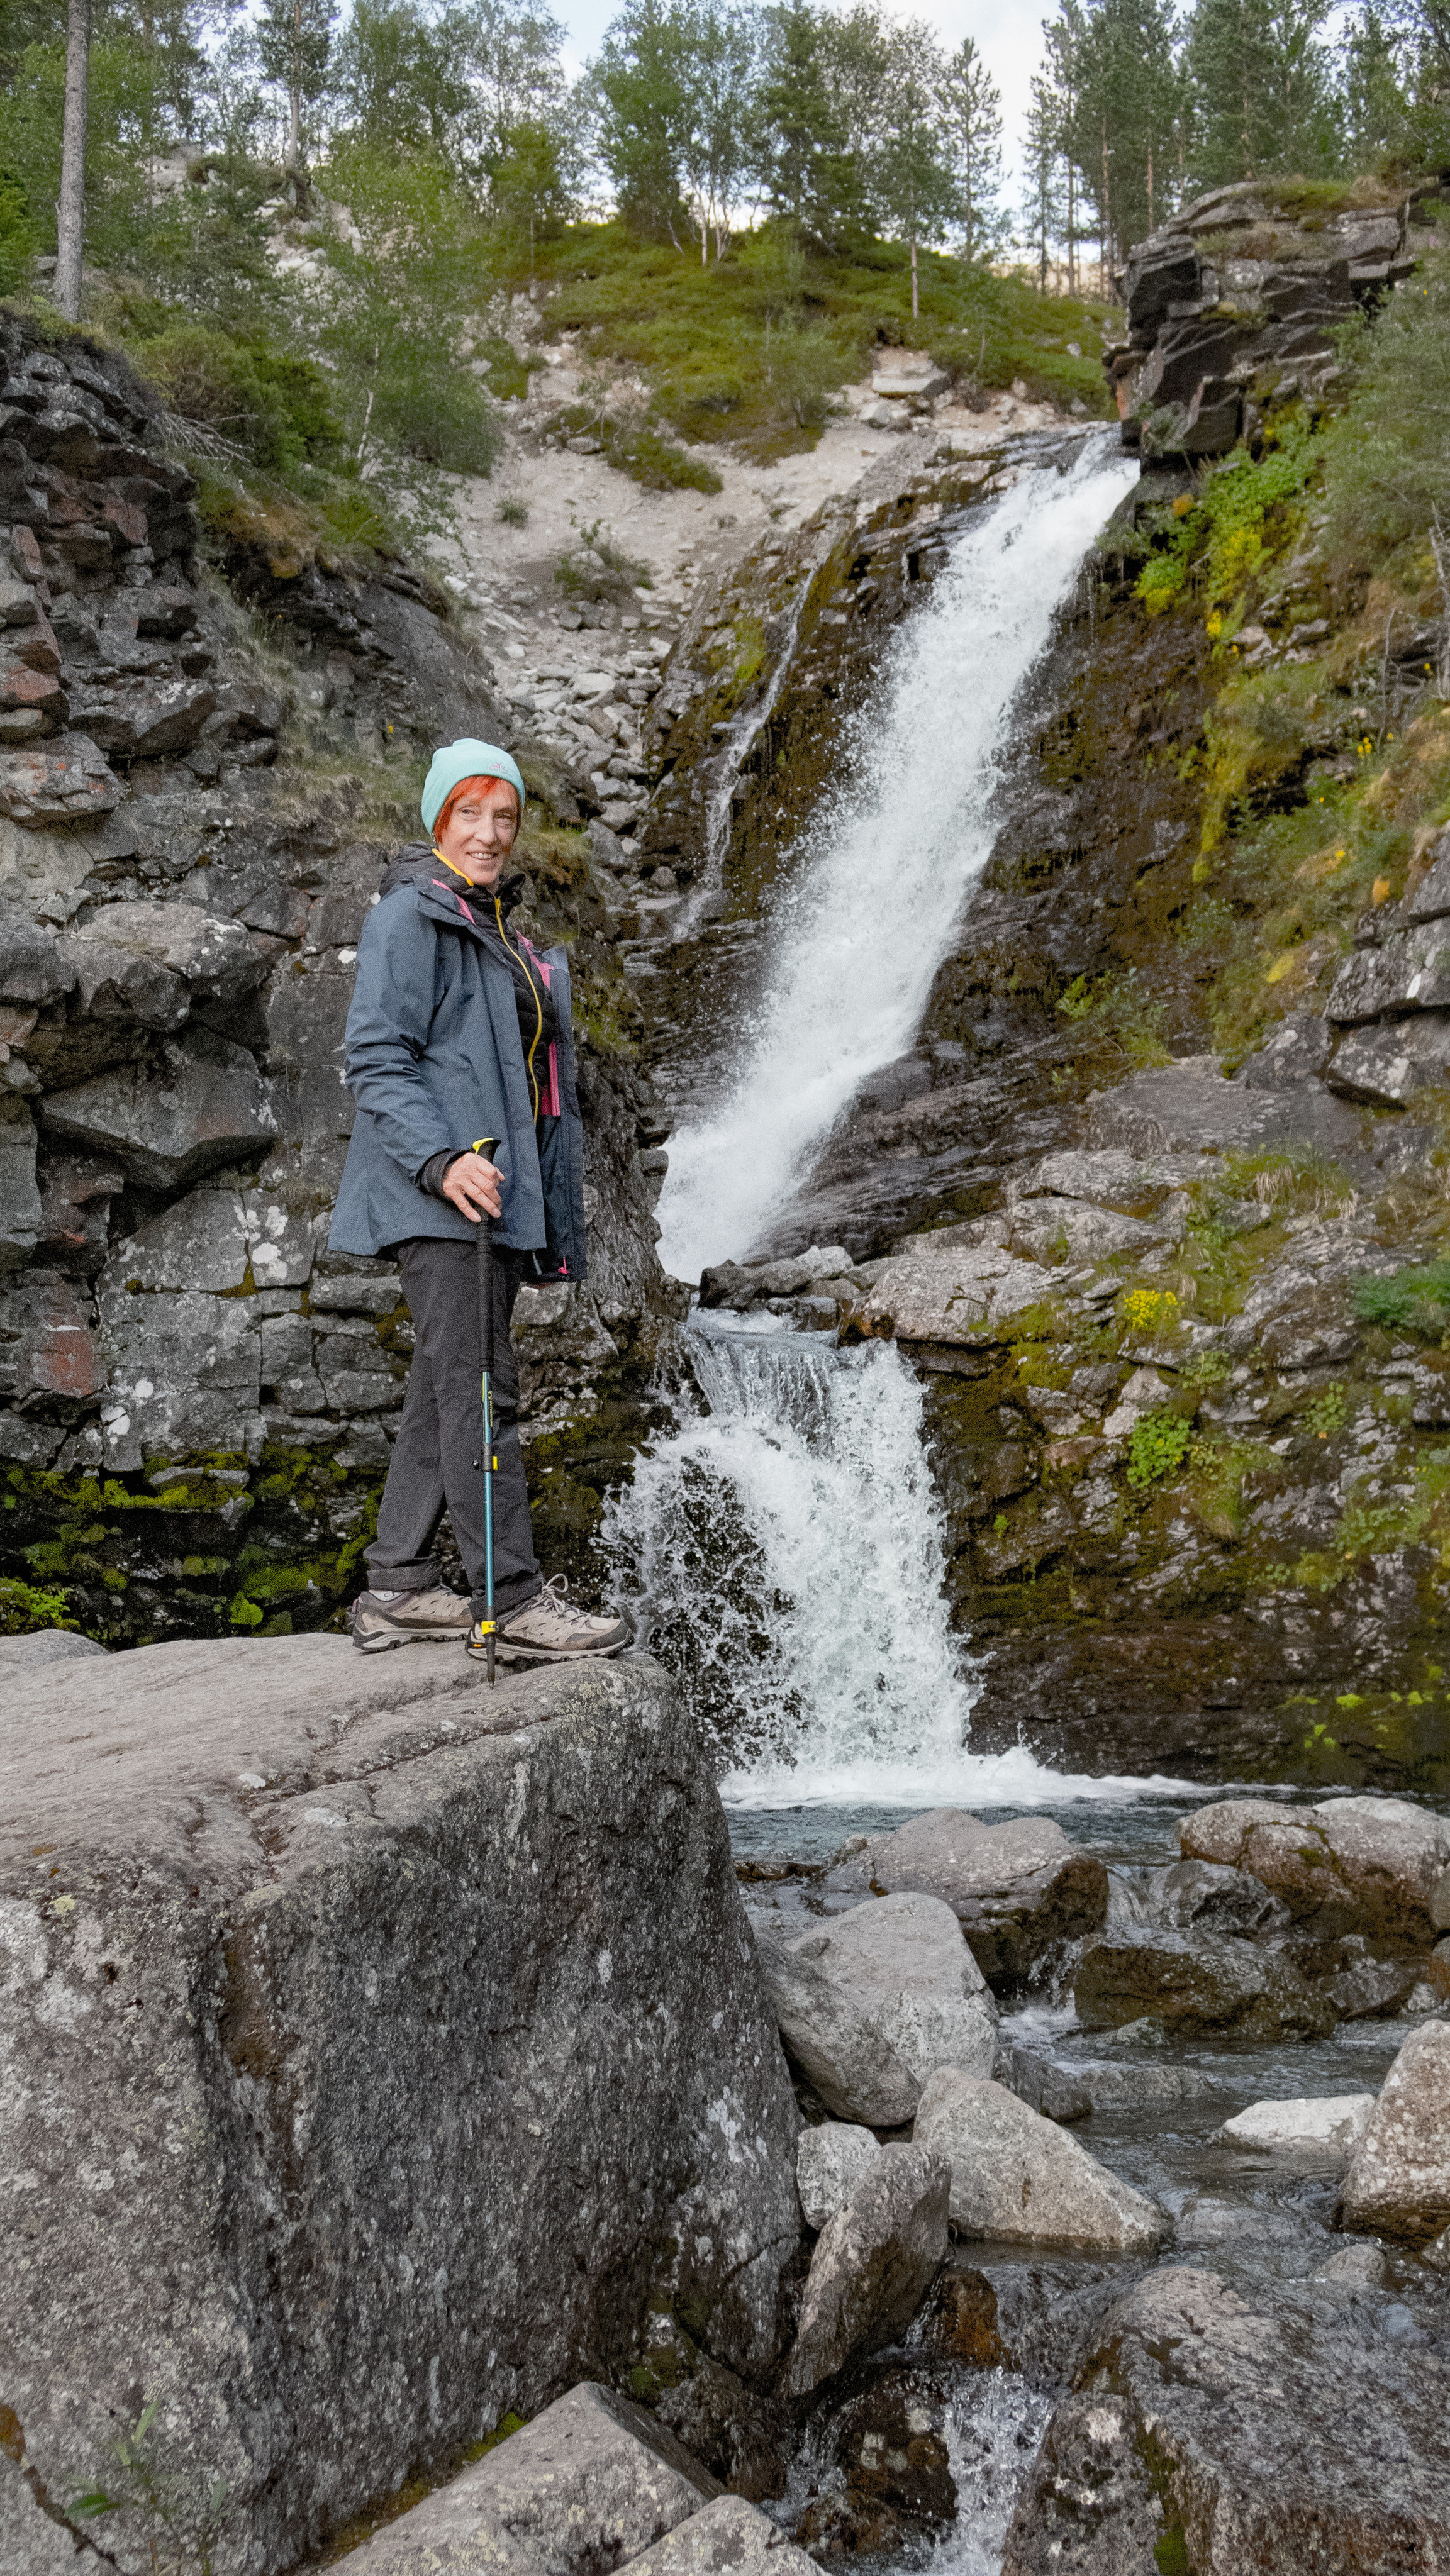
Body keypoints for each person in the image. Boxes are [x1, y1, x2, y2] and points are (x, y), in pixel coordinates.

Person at [329, 738, 628, 1663]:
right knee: (482, 1389)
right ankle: (514, 1603)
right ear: (437, 818)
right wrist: (441, 1161)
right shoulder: (410, 918)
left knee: (445, 1384)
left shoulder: (492, 924)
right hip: (446, 1193)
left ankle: (398, 1584)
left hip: (490, 1192)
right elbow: (376, 1059)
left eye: (505, 816)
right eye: (471, 813)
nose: (490, 833)